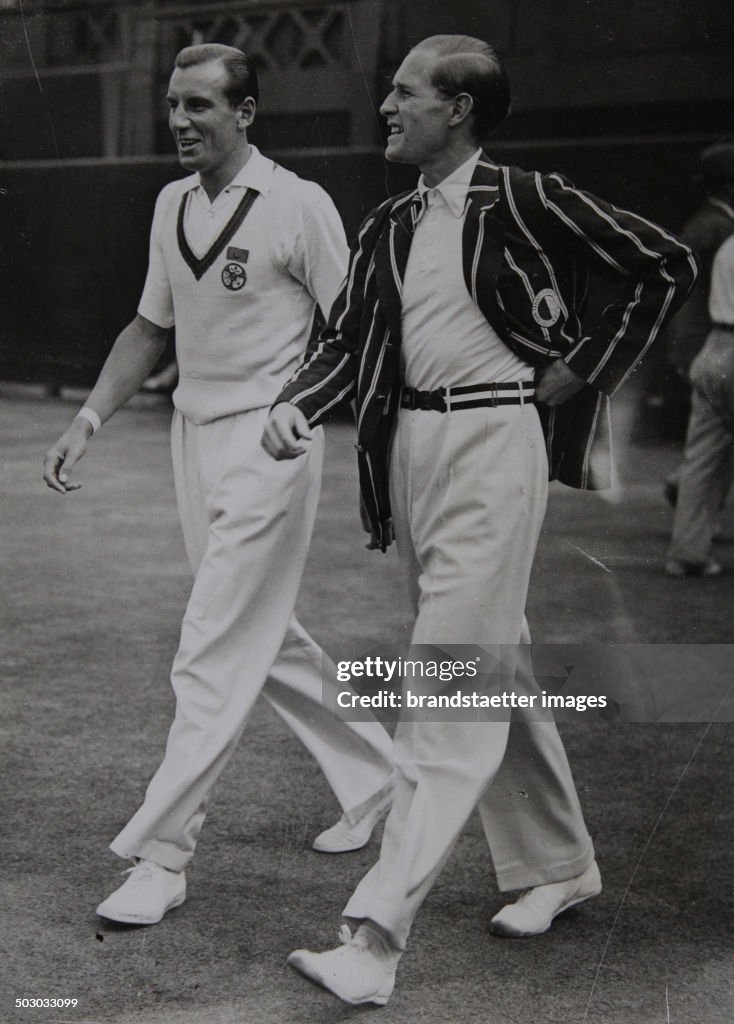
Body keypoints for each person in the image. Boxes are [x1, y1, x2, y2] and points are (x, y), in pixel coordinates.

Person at [262, 34, 696, 1005]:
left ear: (456, 109)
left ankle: (374, 935)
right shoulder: (383, 224)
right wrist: (296, 399)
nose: (385, 105)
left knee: (446, 679)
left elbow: (659, 265)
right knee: (487, 657)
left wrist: (584, 364)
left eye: (404, 92)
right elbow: (343, 340)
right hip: (412, 458)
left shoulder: (529, 197)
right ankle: (557, 863)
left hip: (496, 442)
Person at [42, 43, 394, 927]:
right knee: (261, 639)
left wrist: (307, 413)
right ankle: (381, 774)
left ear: (245, 112)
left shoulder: (298, 204)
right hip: (192, 438)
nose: (180, 121)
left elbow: (352, 327)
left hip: (273, 443)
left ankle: (163, 855)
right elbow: (149, 326)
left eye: (200, 105)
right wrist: (87, 420)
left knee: (207, 646)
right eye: (172, 104)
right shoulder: (170, 204)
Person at [663, 141, 734, 574]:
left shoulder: (716, 232)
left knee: (707, 449)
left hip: (714, 349)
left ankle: (687, 551)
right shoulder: (713, 230)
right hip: (713, 345)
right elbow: (685, 300)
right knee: (710, 450)